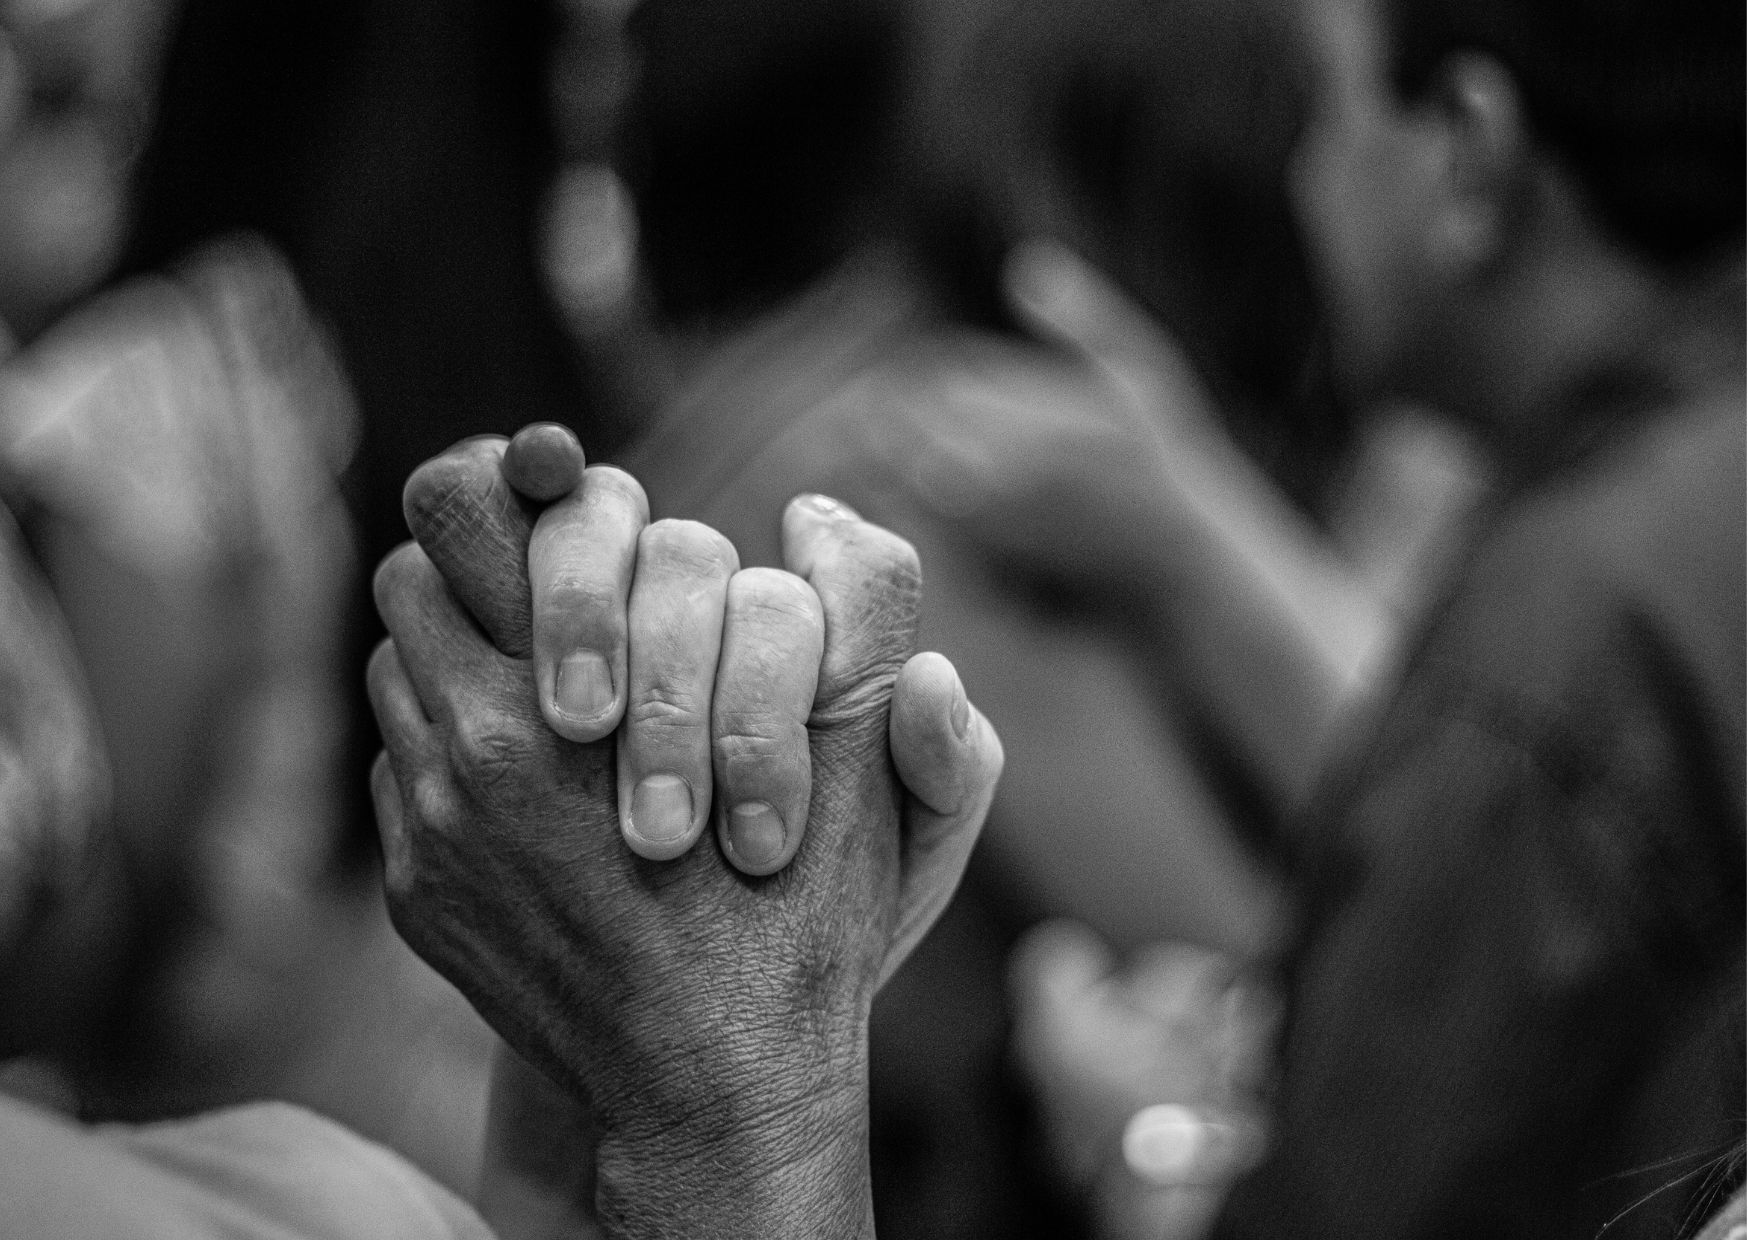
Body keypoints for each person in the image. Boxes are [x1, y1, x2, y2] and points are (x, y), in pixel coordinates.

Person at [371, 0, 1743, 1231]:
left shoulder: (1524, 546)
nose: (1315, 189)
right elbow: (1343, 953)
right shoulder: (927, 477)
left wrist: (1198, 533)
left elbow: (1457, 852)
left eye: (1332, 124)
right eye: (1299, 135)